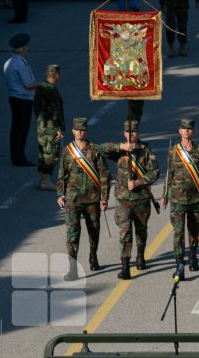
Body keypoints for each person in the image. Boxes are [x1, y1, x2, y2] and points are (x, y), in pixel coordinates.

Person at [100, 120, 160, 280]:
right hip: (123, 200)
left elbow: (155, 173)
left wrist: (138, 182)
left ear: (138, 133)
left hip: (141, 199)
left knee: (141, 230)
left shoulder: (145, 150)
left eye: (134, 132)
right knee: (125, 233)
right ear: (124, 133)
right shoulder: (120, 150)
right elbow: (100, 150)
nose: (131, 135)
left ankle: (140, 256)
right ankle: (125, 266)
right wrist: (120, 147)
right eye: (128, 132)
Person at [56, 118, 110, 281]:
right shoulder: (67, 151)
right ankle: (72, 268)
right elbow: (61, 175)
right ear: (73, 131)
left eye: (82, 129)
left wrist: (104, 198)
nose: (80, 131)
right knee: (72, 234)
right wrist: (60, 194)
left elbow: (104, 174)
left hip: (92, 198)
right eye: (77, 129)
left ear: (86, 131)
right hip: (73, 199)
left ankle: (93, 255)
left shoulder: (94, 150)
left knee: (94, 231)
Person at [160, 118, 199, 275]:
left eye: (189, 129)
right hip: (177, 199)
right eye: (184, 128)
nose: (187, 131)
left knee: (194, 231)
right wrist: (164, 195)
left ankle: (193, 257)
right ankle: (179, 263)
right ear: (179, 131)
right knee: (178, 233)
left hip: (195, 199)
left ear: (193, 132)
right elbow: (169, 174)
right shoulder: (173, 151)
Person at [4, 33, 41, 166]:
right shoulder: (20, 63)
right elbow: (28, 84)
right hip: (23, 99)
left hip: (14, 98)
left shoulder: (10, 62)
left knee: (16, 128)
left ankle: (17, 157)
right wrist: (43, 84)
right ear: (24, 49)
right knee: (21, 129)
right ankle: (19, 158)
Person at [34, 64, 64, 190]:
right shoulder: (51, 90)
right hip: (51, 127)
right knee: (51, 153)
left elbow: (36, 107)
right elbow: (56, 111)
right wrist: (59, 128)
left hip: (42, 126)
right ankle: (46, 180)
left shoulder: (41, 88)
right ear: (56, 75)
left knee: (43, 152)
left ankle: (40, 179)